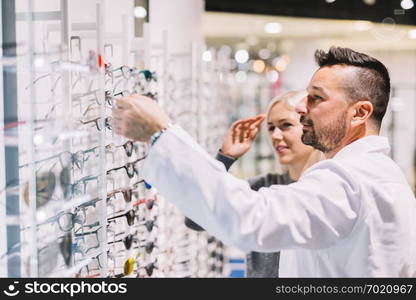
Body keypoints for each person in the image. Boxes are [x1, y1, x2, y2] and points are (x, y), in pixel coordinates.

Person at [112, 46, 416, 277]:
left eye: (316, 98)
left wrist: (161, 133)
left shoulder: (350, 181)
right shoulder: (377, 175)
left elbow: (250, 217)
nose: (300, 108)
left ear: (359, 113)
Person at [185, 90, 323, 277]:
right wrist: (224, 159)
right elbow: (195, 219)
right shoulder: (263, 188)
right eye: (271, 128)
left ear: (310, 126)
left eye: (286, 125)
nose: (275, 136)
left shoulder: (327, 190)